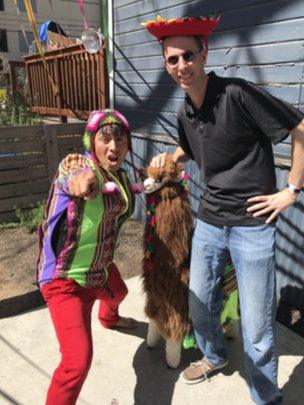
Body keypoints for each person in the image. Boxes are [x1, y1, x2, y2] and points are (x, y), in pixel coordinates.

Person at [143, 15, 304, 404]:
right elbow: (192, 145)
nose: (181, 66)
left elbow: (300, 129)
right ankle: (213, 355)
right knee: (199, 302)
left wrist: (292, 190)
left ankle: (265, 395)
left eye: (188, 56)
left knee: (258, 324)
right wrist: (173, 160)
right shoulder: (186, 111)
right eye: (172, 60)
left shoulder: (237, 94)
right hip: (211, 221)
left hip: (253, 224)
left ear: (204, 53)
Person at [37, 109, 139, 405]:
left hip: (101, 270)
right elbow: (73, 174)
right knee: (77, 362)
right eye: (105, 139)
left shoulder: (119, 175)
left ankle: (109, 319)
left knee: (119, 292)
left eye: (120, 139)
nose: (113, 146)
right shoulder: (80, 164)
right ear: (91, 142)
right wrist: (82, 183)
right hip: (65, 280)